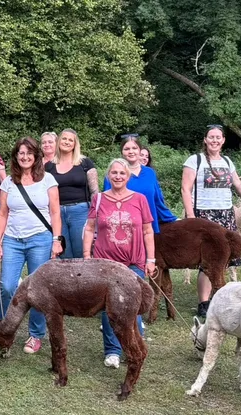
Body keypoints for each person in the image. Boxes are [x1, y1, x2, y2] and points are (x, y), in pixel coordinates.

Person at [0, 137, 63, 353]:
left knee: (38, 289)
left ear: (36, 156)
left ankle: (35, 334)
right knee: (7, 286)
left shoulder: (48, 180)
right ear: (15, 157)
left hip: (40, 239)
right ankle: (1, 328)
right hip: (12, 239)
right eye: (21, 153)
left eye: (29, 153)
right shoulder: (9, 182)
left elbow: (55, 212)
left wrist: (57, 240)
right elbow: (2, 213)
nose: (25, 156)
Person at [83, 159, 156, 368]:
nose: (117, 176)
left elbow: (147, 231)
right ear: (108, 176)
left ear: (128, 176)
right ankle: (112, 350)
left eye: (122, 173)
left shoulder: (140, 199)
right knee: (109, 308)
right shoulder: (98, 199)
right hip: (105, 263)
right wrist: (87, 256)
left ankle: (134, 347)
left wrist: (151, 259)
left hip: (134, 262)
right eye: (114, 173)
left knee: (133, 306)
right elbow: (89, 228)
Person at [181, 125, 241, 317]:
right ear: (206, 140)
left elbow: (238, 184)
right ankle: (203, 303)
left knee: (223, 258)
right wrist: (191, 217)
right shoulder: (195, 161)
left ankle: (218, 298)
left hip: (225, 213)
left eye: (218, 137)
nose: (215, 141)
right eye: (211, 137)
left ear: (223, 140)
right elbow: (185, 188)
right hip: (204, 214)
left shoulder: (226, 161)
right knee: (207, 260)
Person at [104, 135, 177, 232]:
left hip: (148, 228)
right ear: (122, 152)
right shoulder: (114, 174)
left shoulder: (150, 173)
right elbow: (107, 205)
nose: (131, 151)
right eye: (127, 149)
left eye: (134, 148)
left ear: (139, 150)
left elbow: (158, 201)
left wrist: (172, 218)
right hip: (123, 229)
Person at [45, 129, 97, 259]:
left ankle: (85, 279)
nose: (66, 142)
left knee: (82, 251)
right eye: (64, 139)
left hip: (80, 211)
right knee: (63, 253)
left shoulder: (85, 163)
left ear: (75, 144)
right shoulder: (48, 167)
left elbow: (95, 191)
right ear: (58, 141)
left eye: (70, 140)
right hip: (57, 213)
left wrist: (95, 214)